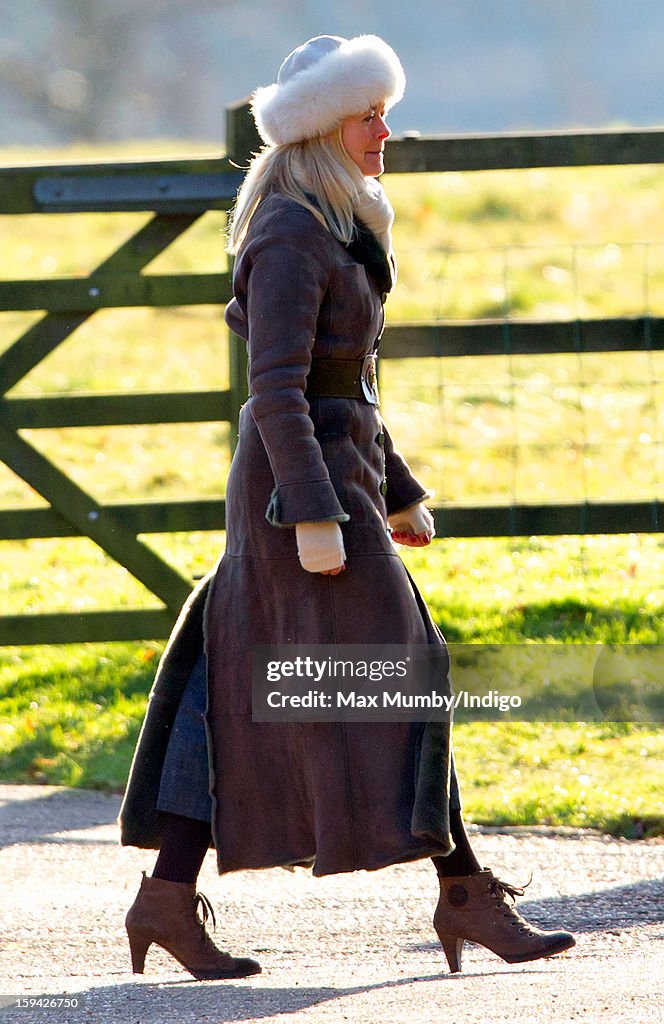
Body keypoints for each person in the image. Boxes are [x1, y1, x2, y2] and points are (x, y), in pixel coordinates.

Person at [119, 33, 575, 979]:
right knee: (377, 676)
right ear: (325, 126)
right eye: (369, 113)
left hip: (334, 483)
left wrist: (395, 490)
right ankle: (464, 892)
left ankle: (168, 897)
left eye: (382, 110)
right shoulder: (289, 233)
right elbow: (276, 389)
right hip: (299, 493)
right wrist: (316, 514)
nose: (386, 128)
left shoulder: (336, 224)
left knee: (257, 676)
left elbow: (347, 383)